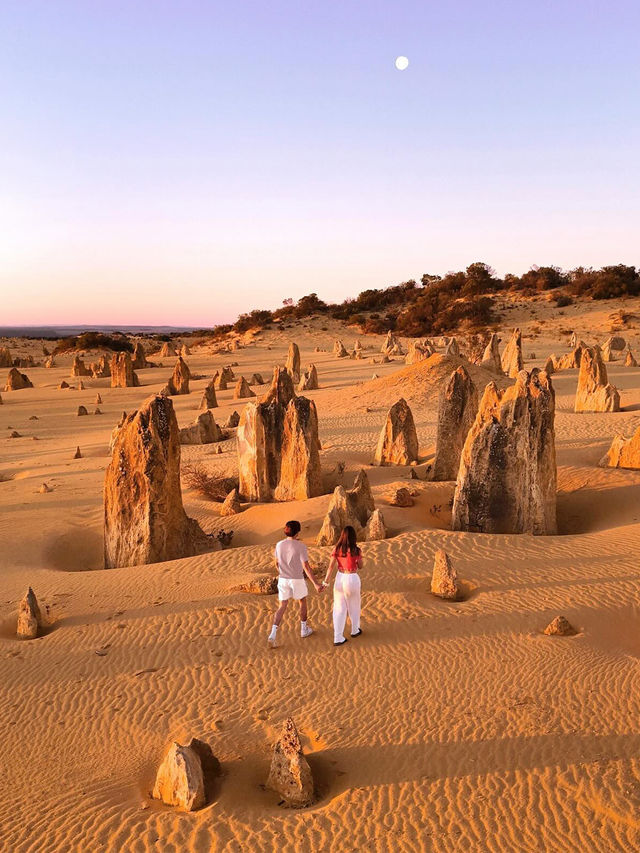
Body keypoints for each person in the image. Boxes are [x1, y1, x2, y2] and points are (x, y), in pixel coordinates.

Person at [268, 520, 322, 648]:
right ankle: (304, 629)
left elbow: (277, 563)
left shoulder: (279, 545)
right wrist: (315, 583)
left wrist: (282, 571)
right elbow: (306, 566)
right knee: (302, 601)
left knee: (283, 605)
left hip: (283, 579)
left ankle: (273, 634)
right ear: (298, 532)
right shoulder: (301, 546)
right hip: (297, 579)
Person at [322, 525, 363, 646]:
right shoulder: (356, 550)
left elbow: (330, 567)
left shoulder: (337, 549)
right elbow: (360, 566)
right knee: (354, 605)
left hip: (339, 578)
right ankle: (355, 630)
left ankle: (338, 637)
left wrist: (325, 582)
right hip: (352, 578)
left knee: (339, 608)